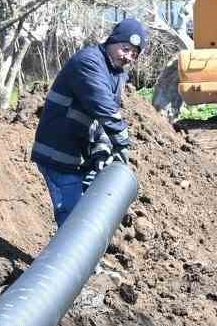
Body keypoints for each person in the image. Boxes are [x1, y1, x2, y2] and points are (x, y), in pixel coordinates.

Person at [31, 17, 146, 227]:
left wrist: (102, 150)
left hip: (79, 157)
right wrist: (122, 146)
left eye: (134, 54)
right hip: (59, 154)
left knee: (89, 215)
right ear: (112, 41)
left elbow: (101, 121)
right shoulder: (89, 62)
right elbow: (106, 111)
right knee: (73, 220)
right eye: (125, 49)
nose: (128, 57)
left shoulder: (115, 73)